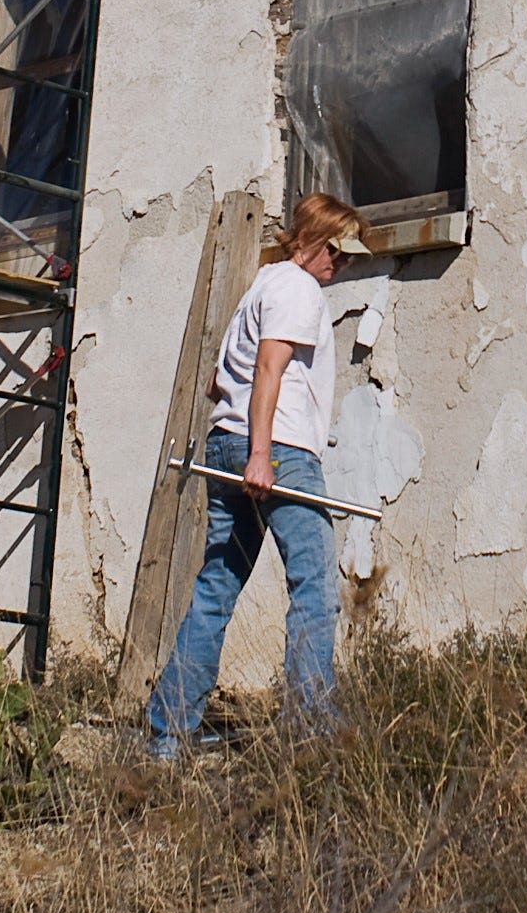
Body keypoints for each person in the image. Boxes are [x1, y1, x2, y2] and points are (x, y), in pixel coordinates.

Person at [146, 192, 371, 756]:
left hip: (225, 444)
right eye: (336, 252)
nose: (339, 264)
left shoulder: (261, 287)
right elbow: (269, 366)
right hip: (279, 450)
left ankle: (167, 738)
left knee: (216, 587)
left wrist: (243, 446)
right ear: (312, 241)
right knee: (316, 586)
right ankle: (312, 731)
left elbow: (216, 385)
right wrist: (262, 454)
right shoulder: (298, 288)